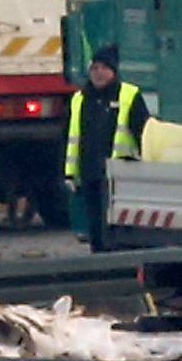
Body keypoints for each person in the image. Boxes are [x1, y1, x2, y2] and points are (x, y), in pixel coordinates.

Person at [63, 44, 151, 252]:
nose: (98, 73)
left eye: (104, 68)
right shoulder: (79, 99)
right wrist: (68, 173)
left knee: (116, 225)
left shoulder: (129, 95)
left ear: (114, 71)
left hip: (121, 174)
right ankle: (100, 258)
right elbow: (69, 139)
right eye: (94, 68)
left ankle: (117, 259)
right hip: (90, 172)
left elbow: (144, 133)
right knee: (95, 222)